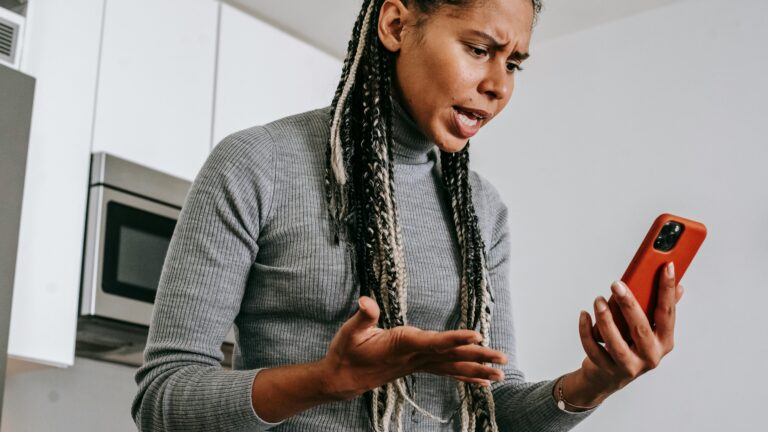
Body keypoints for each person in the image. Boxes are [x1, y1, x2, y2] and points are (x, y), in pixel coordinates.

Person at [132, 0, 685, 431]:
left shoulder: (481, 211)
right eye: (478, 49)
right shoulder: (258, 165)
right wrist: (326, 382)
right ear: (396, 25)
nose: (498, 86)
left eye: (512, 62)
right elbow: (163, 398)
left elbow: (495, 409)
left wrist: (591, 384)